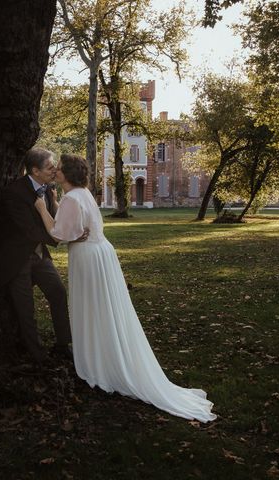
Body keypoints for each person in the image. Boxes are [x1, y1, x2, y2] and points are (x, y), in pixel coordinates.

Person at [34, 154, 216, 422]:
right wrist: (57, 206)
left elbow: (59, 235)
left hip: (88, 257)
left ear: (68, 174)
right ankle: (102, 354)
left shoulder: (74, 197)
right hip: (100, 253)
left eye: (59, 170)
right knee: (103, 308)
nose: (56, 172)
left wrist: (41, 208)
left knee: (92, 308)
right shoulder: (82, 194)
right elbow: (72, 219)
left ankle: (97, 364)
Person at [0, 147, 85, 364]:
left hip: (39, 255)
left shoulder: (47, 188)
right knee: (26, 308)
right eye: (49, 166)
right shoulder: (14, 193)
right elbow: (30, 230)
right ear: (35, 171)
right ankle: (37, 355)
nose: (54, 169)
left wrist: (71, 229)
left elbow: (54, 217)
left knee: (57, 292)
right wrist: (61, 239)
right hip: (18, 258)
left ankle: (63, 345)